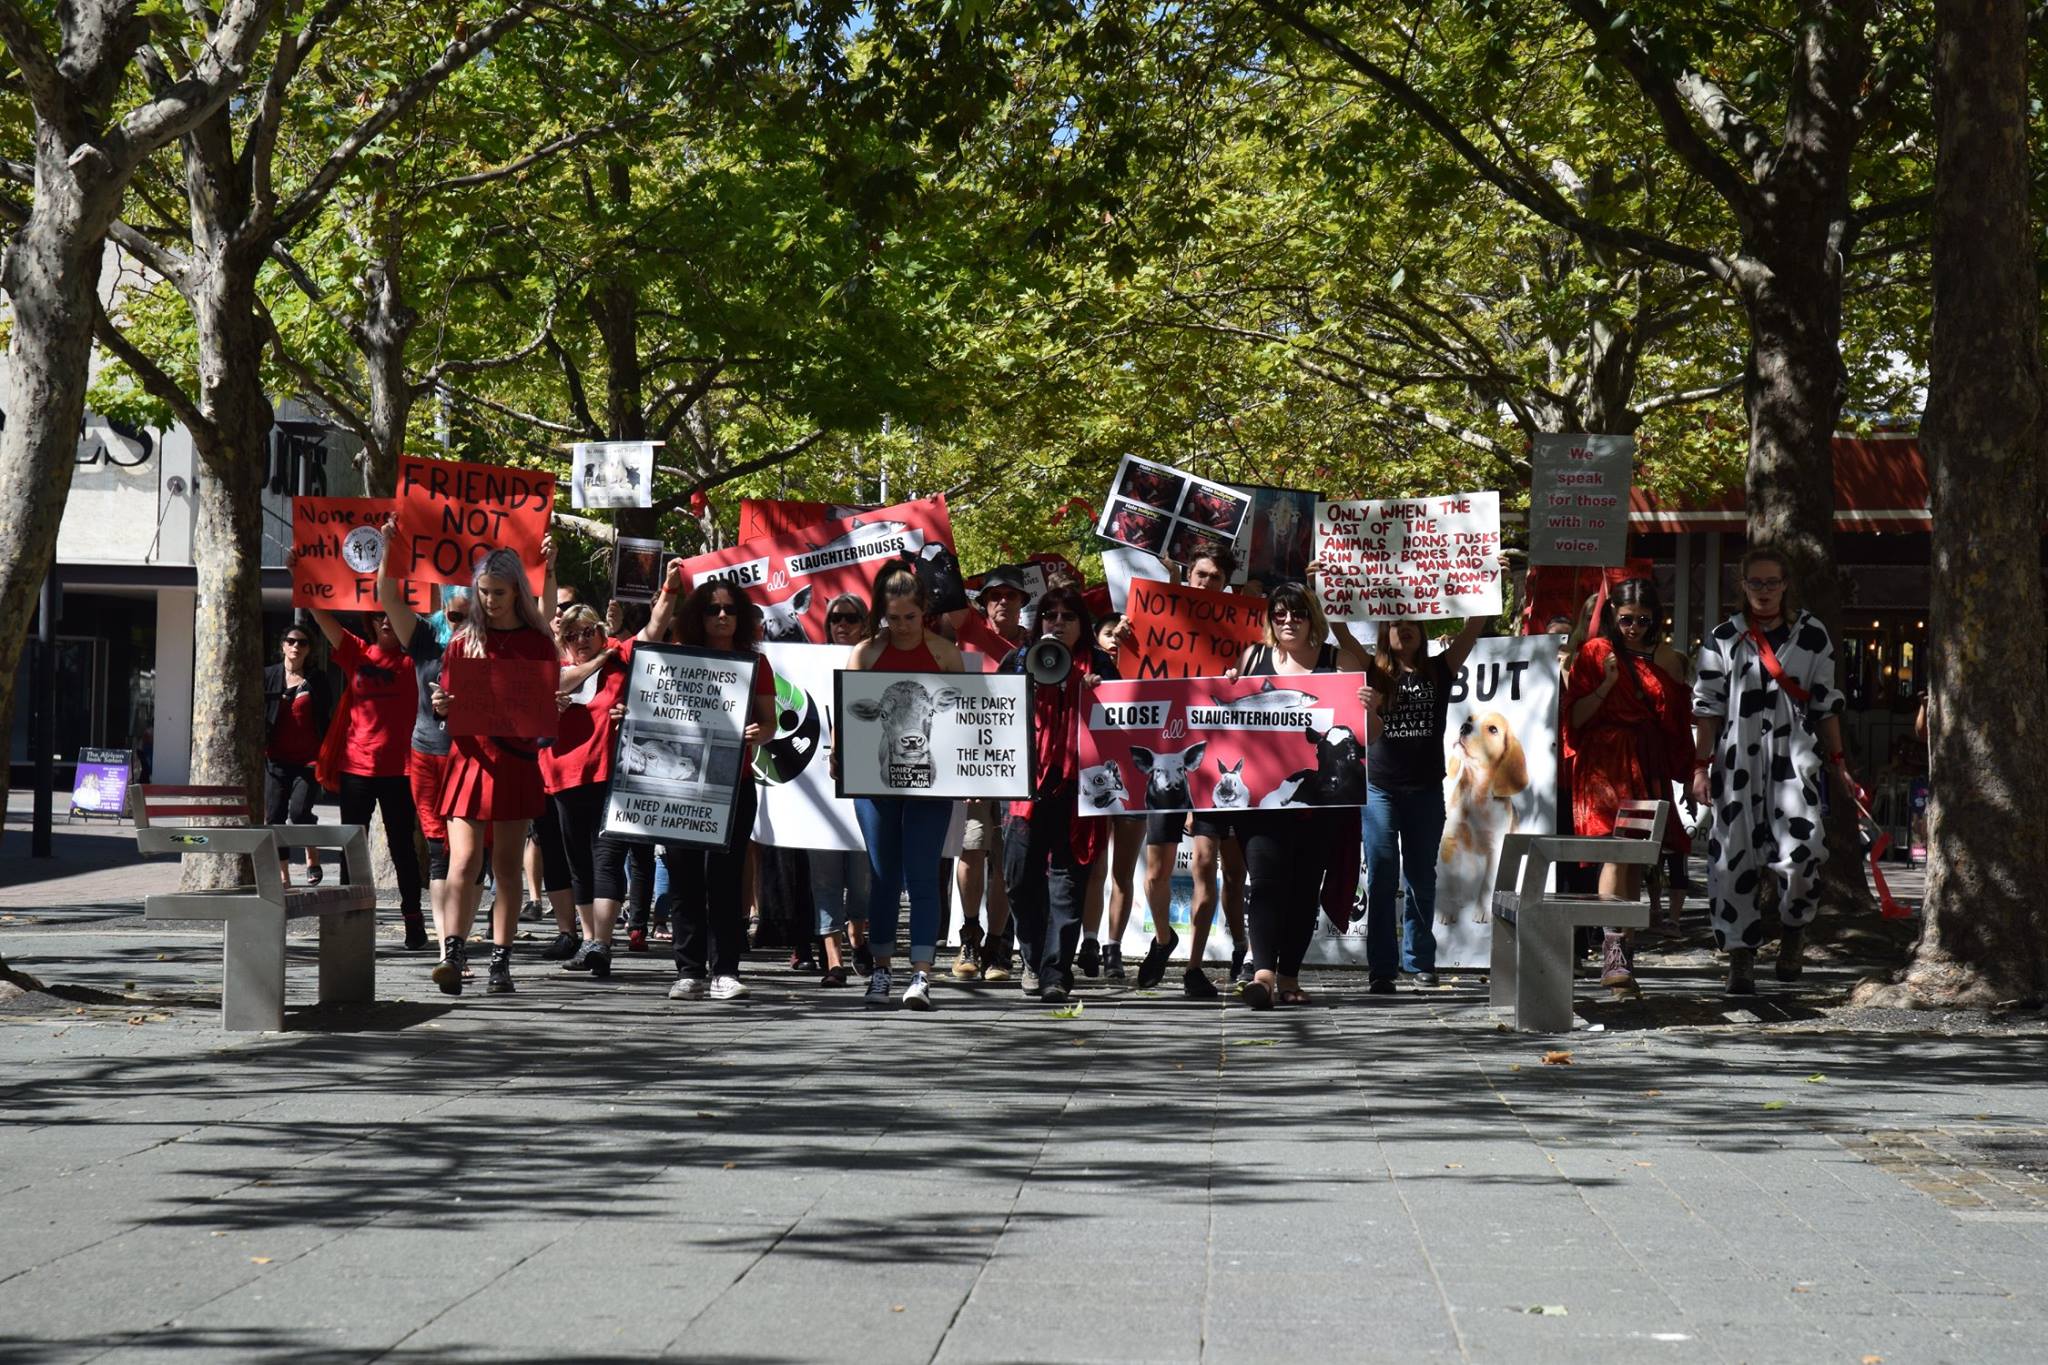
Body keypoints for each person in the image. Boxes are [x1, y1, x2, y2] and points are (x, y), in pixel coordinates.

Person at [401, 539, 561, 996]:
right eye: (484, 592)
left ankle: (500, 960)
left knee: (507, 866)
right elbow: (448, 705)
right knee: (463, 861)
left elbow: (544, 704)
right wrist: (441, 703)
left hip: (514, 763)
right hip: (470, 759)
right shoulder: (463, 640)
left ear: (516, 592)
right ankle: (452, 952)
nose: (489, 601)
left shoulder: (536, 643)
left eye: (498, 592)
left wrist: (553, 704)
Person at [1690, 546, 1851, 994]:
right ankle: (1740, 957)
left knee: (1802, 854)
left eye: (1772, 582)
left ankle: (1794, 934)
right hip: (1736, 760)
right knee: (1731, 861)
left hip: (1793, 759)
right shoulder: (1725, 636)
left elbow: (1826, 703)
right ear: (1743, 586)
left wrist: (1838, 763)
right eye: (1755, 583)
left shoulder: (1812, 635)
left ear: (1785, 585)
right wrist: (1700, 766)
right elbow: (1707, 707)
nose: (1764, 591)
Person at [1227, 582, 1373, 1009]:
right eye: (1279, 613)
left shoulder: (1337, 660)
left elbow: (1370, 737)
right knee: (1266, 882)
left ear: (1313, 617)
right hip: (1262, 799)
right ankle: (1264, 974)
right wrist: (1232, 686)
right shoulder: (1252, 658)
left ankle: (1289, 974)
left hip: (1321, 805)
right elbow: (1221, 724)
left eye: (1298, 613)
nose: (1288, 621)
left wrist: (1370, 708)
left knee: (1306, 886)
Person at [835, 564, 967, 1010]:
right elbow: (848, 712)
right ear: (882, 614)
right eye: (894, 617)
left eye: (910, 616)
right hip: (876, 781)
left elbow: (965, 721)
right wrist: (840, 757)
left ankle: (922, 975)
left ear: (924, 611)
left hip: (931, 781)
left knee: (923, 873)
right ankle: (882, 971)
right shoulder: (865, 653)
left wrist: (972, 772)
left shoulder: (947, 655)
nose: (903, 626)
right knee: (883, 876)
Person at [643, 567, 776, 1003]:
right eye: (712, 609)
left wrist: (761, 733)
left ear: (741, 617)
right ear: (698, 616)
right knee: (682, 876)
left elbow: (770, 723)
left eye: (730, 610)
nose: (722, 616)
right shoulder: (675, 658)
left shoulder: (757, 663)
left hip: (733, 785)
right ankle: (688, 971)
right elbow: (649, 691)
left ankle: (726, 970)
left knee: (725, 876)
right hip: (678, 786)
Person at [1563, 579, 1694, 989]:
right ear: (1611, 616)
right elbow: (1576, 719)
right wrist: (1605, 684)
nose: (1633, 628)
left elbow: (1676, 723)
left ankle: (1626, 953)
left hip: (1647, 759)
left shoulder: (1669, 658)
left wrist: (1689, 772)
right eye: (1625, 619)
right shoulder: (1594, 652)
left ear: (1656, 619)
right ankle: (1612, 946)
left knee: (1637, 858)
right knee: (1613, 851)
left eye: (1642, 620)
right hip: (1604, 760)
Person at [1135, 545, 1251, 997]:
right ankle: (1164, 939)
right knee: (1155, 871)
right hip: (1165, 766)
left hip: (1209, 764)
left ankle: (1195, 968)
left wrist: (1237, 675)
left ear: (1225, 584)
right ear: (1188, 575)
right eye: (1199, 575)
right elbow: (1128, 671)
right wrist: (1117, 641)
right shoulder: (1157, 624)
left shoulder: (1239, 634)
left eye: (1214, 578)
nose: (1205, 584)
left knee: (1207, 863)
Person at [1361, 598, 1492, 994]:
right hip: (1379, 788)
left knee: (1421, 877)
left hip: (1423, 791)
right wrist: (1325, 590)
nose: (1404, 629)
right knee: (1382, 874)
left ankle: (1419, 963)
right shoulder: (1371, 671)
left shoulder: (1440, 668)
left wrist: (1488, 584)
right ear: (1385, 632)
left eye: (1412, 623)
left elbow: (1473, 628)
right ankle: (1382, 969)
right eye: (1396, 623)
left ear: (1423, 631)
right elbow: (1342, 637)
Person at [1000, 585, 1119, 1003]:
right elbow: (992, 717)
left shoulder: (1101, 662)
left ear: (1081, 624)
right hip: (1025, 789)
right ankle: (1032, 956)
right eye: (1051, 615)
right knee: (1018, 878)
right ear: (1040, 621)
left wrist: (1102, 694)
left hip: (1079, 791)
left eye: (1069, 616)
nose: (1059, 623)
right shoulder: (1018, 660)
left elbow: (1126, 719)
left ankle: (1056, 972)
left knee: (1068, 885)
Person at [298, 585, 428, 949]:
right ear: (369, 621)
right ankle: (347, 918)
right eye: (378, 614)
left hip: (400, 770)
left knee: (402, 846)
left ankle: (412, 919)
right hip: (357, 767)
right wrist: (304, 581)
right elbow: (322, 617)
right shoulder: (357, 651)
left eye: (391, 613)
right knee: (350, 845)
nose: (385, 619)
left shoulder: (417, 657)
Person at [540, 603, 634, 980]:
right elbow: (554, 687)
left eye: (588, 632)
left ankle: (603, 944)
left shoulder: (621, 666)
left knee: (606, 858)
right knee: (577, 860)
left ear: (601, 632)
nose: (581, 640)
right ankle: (589, 940)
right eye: (572, 634)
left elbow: (657, 626)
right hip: (563, 778)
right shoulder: (554, 672)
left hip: (607, 776)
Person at [381, 582, 468, 956]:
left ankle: (458, 938)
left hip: (469, 757)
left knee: (467, 855)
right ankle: (447, 949)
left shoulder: (491, 640)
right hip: (426, 753)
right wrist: (387, 550)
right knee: (438, 854)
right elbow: (387, 596)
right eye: (455, 614)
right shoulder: (425, 636)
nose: (461, 622)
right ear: (445, 607)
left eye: (470, 615)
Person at [953, 565, 1029, 982]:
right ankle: (969, 936)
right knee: (973, 847)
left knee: (1005, 860)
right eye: (994, 595)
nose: (1003, 601)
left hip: (1019, 767)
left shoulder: (1038, 647)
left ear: (1022, 603)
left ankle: (999, 946)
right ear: (983, 603)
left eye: (1011, 595)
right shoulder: (966, 635)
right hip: (973, 762)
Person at [811, 592, 874, 986]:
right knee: (824, 876)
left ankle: (857, 933)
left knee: (863, 875)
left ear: (864, 624)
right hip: (816, 789)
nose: (842, 625)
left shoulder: (875, 662)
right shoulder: (808, 666)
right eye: (835, 618)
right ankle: (833, 958)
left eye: (850, 618)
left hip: (865, 787)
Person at [1082, 612, 1146, 982]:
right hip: (1094, 779)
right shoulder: (1088, 671)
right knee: (1094, 867)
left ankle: (1112, 948)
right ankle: (1089, 941)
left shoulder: (1148, 675)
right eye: (1108, 634)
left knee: (1123, 870)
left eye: (1121, 636)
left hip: (1135, 782)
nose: (1115, 639)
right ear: (1096, 637)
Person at [262, 625, 333, 889]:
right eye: (291, 641)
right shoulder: (268, 676)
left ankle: (311, 855)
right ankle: (283, 876)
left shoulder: (317, 679)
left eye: (302, 643)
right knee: (275, 818)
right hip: (276, 759)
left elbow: (326, 718)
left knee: (300, 811)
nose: (296, 647)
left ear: (309, 649)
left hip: (309, 760)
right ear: (283, 645)